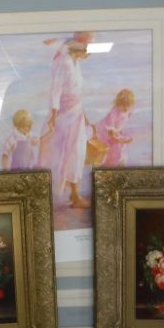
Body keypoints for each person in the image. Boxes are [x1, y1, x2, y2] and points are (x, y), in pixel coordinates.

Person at [38, 31, 94, 209]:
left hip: (76, 113)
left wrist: (85, 116)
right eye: (86, 49)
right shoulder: (63, 62)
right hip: (64, 115)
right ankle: (74, 195)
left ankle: (74, 193)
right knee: (68, 153)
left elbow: (77, 93)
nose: (87, 53)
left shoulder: (75, 62)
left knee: (77, 152)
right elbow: (55, 89)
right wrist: (54, 115)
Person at [95, 88, 135, 166]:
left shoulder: (128, 112)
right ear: (119, 103)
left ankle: (118, 163)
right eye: (124, 106)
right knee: (112, 151)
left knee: (120, 150)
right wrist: (119, 139)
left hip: (115, 133)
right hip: (105, 133)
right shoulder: (114, 112)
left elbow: (120, 125)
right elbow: (110, 128)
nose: (126, 108)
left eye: (128, 105)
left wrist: (120, 134)